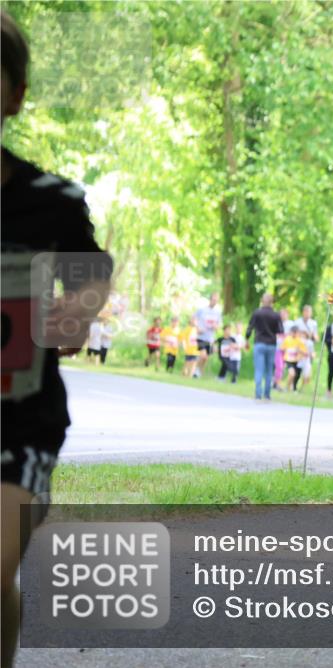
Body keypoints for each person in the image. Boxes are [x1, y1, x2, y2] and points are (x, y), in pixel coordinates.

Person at [2, 12, 113, 666]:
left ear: (14, 94)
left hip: (19, 425)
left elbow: (90, 274)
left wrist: (76, 312)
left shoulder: (51, 202)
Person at [246, 293, 283, 401]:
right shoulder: (276, 315)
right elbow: (280, 330)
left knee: (259, 369)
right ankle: (267, 394)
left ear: (262, 301)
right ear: (272, 302)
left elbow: (250, 327)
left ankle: (258, 394)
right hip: (271, 344)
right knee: (269, 370)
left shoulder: (257, 313)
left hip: (259, 343)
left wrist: (246, 339)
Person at [194, 292, 222, 378]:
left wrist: (216, 326)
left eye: (216, 300)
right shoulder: (202, 310)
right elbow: (193, 319)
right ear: (210, 299)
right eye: (213, 300)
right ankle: (195, 370)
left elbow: (219, 325)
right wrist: (197, 328)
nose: (215, 302)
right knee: (203, 356)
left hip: (210, 338)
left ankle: (199, 372)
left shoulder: (217, 312)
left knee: (205, 358)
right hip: (201, 337)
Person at [281, 326, 308, 392]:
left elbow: (305, 352)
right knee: (292, 373)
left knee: (296, 375)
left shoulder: (299, 341)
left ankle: (292, 387)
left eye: (296, 333)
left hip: (297, 361)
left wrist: (299, 350)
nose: (294, 334)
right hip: (288, 360)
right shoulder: (287, 339)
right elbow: (282, 349)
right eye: (293, 332)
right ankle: (287, 387)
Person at [273, 307, 292, 391]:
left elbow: (293, 335)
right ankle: (277, 384)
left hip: (287, 349)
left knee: (282, 367)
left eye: (284, 313)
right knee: (279, 366)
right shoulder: (276, 323)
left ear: (288, 314)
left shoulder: (291, 324)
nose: (282, 315)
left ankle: (275, 383)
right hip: (278, 348)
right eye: (281, 314)